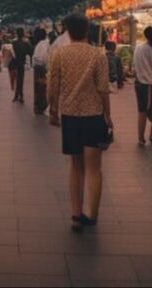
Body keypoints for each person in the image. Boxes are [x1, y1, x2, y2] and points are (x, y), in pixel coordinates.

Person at [48, 14, 112, 233]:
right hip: (94, 115)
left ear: (67, 31)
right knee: (94, 167)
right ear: (87, 31)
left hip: (70, 115)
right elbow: (104, 88)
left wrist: (53, 109)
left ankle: (76, 213)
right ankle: (92, 214)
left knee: (76, 166)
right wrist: (108, 116)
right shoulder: (98, 55)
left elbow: (52, 85)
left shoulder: (59, 54)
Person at [133, 26, 152, 146]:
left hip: (139, 83)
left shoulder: (139, 47)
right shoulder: (149, 50)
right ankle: (151, 136)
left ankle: (141, 138)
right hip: (149, 84)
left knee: (142, 111)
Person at [11, 27, 32, 103]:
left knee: (16, 80)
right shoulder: (26, 43)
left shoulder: (14, 43)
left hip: (15, 64)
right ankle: (20, 96)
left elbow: (11, 54)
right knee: (20, 80)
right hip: (21, 63)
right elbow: (30, 52)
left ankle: (17, 95)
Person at [32, 29, 50, 115]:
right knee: (40, 88)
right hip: (41, 67)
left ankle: (40, 106)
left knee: (40, 88)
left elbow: (42, 58)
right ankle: (40, 106)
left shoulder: (42, 44)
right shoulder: (44, 43)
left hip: (40, 68)